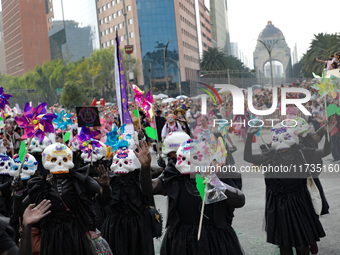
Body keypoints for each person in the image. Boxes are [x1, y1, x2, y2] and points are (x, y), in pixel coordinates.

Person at [136, 141, 245, 255]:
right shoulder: (175, 176)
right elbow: (149, 188)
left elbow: (240, 200)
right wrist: (145, 167)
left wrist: (216, 182)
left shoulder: (217, 175)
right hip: (182, 241)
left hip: (215, 240)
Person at [244, 123, 331, 255]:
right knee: (284, 245)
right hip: (278, 204)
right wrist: (250, 136)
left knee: (302, 244)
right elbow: (248, 157)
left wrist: (328, 135)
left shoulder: (301, 152)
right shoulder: (270, 155)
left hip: (300, 202)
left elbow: (324, 152)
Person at [98, 148, 155, 255]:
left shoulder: (141, 179)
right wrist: (105, 188)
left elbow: (149, 190)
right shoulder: (110, 179)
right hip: (116, 227)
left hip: (138, 227)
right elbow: (102, 202)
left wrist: (145, 166)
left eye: (125, 162)